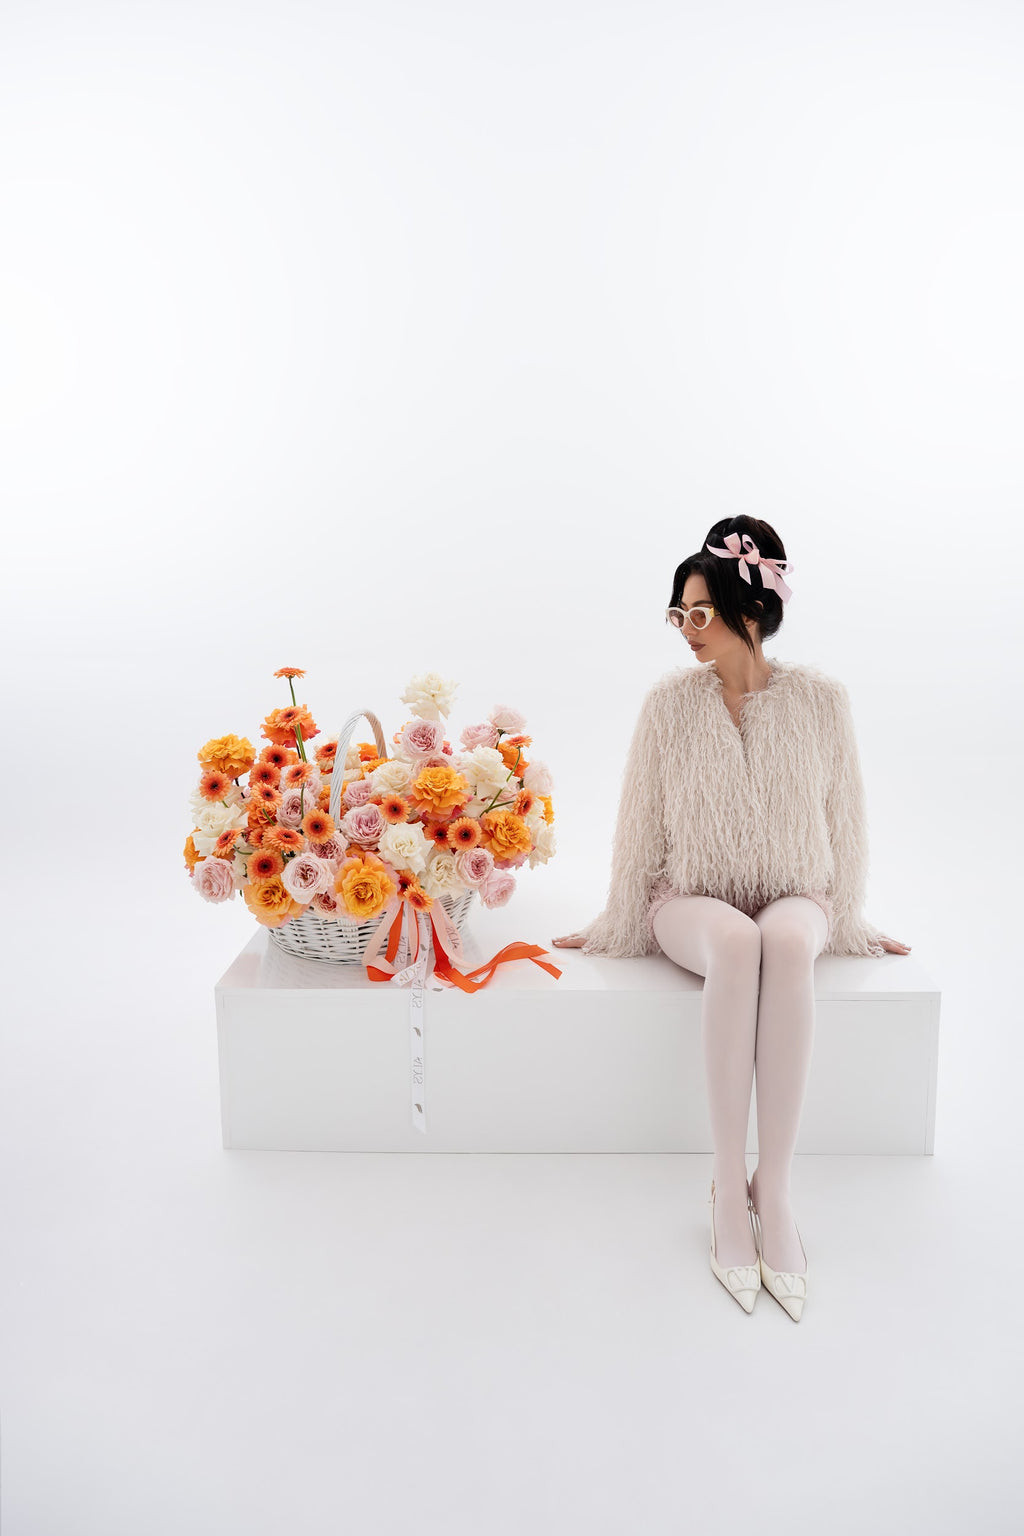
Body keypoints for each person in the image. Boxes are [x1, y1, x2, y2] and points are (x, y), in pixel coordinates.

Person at [552, 516, 911, 1320]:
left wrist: (847, 921)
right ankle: (725, 1183)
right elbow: (640, 823)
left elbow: (844, 821)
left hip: (798, 890)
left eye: (700, 613)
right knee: (740, 942)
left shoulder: (822, 701)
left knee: (784, 939)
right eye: (677, 614)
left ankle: (772, 1188)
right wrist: (617, 917)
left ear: (751, 611)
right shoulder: (669, 706)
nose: (686, 630)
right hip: (690, 897)